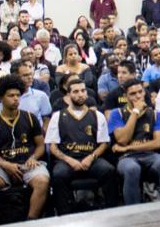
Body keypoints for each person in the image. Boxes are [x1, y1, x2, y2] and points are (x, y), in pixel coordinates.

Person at [0, 74, 50, 226]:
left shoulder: (30, 118)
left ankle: (32, 221)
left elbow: (40, 146)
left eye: (18, 95)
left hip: (28, 164)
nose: (16, 99)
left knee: (42, 181)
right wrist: (7, 165)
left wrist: (33, 158)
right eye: (11, 95)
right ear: (1, 98)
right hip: (3, 165)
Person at [45, 76, 117, 214]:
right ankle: (64, 215)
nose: (80, 94)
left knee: (109, 170)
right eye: (76, 91)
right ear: (68, 94)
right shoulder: (58, 116)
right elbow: (53, 147)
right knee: (58, 175)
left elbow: (104, 143)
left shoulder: (97, 115)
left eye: (83, 91)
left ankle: (111, 211)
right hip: (67, 159)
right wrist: (69, 160)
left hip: (91, 158)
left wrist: (91, 157)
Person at [107, 79, 160, 204]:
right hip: (126, 157)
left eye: (140, 92)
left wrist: (128, 148)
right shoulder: (116, 113)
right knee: (132, 169)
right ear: (125, 96)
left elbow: (159, 143)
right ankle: (134, 211)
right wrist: (135, 112)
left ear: (144, 92)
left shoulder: (155, 114)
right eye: (133, 94)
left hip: (150, 155)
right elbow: (123, 140)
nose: (138, 96)